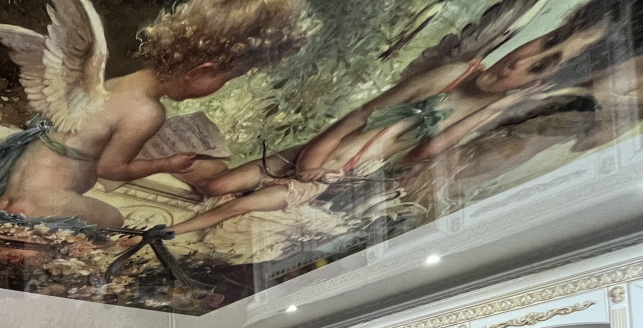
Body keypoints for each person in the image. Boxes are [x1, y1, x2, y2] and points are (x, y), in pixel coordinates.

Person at [168, 0, 617, 235]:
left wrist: (497, 109)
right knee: (214, 187)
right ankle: (188, 155)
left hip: (332, 180)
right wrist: (309, 163)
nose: (519, 61)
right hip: (310, 155)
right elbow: (353, 120)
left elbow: (421, 155)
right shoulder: (452, 74)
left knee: (234, 205)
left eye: (539, 67)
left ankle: (177, 219)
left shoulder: (486, 113)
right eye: (545, 41)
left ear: (541, 84)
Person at [0, 0, 305, 232]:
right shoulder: (148, 111)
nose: (221, 86)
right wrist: (167, 164)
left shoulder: (115, 83)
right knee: (114, 220)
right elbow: (110, 170)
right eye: (226, 79)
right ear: (202, 71)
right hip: (44, 200)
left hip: (14, 185)